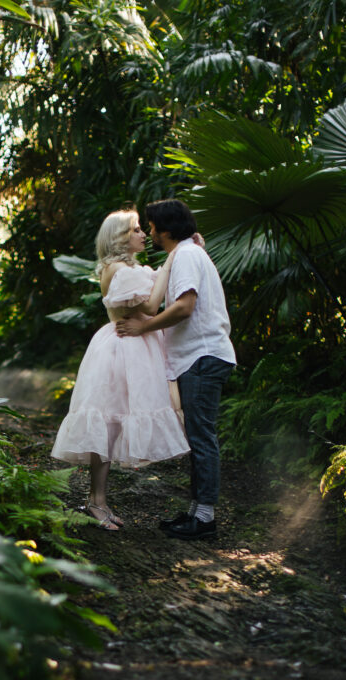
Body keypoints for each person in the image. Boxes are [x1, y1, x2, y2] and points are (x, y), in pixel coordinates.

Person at [51, 208, 189, 531]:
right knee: (107, 423)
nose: (143, 234)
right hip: (120, 351)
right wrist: (173, 261)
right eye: (136, 229)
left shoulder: (129, 268)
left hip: (132, 349)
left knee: (111, 424)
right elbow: (153, 305)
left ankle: (99, 500)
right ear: (119, 237)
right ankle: (96, 502)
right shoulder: (119, 270)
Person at [115, 199, 236, 539]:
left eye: (151, 225)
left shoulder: (185, 255)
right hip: (197, 357)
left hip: (202, 356)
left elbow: (184, 307)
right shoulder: (184, 253)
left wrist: (144, 327)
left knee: (201, 436)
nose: (149, 230)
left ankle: (205, 519)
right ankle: (196, 513)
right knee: (198, 434)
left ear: (165, 229)